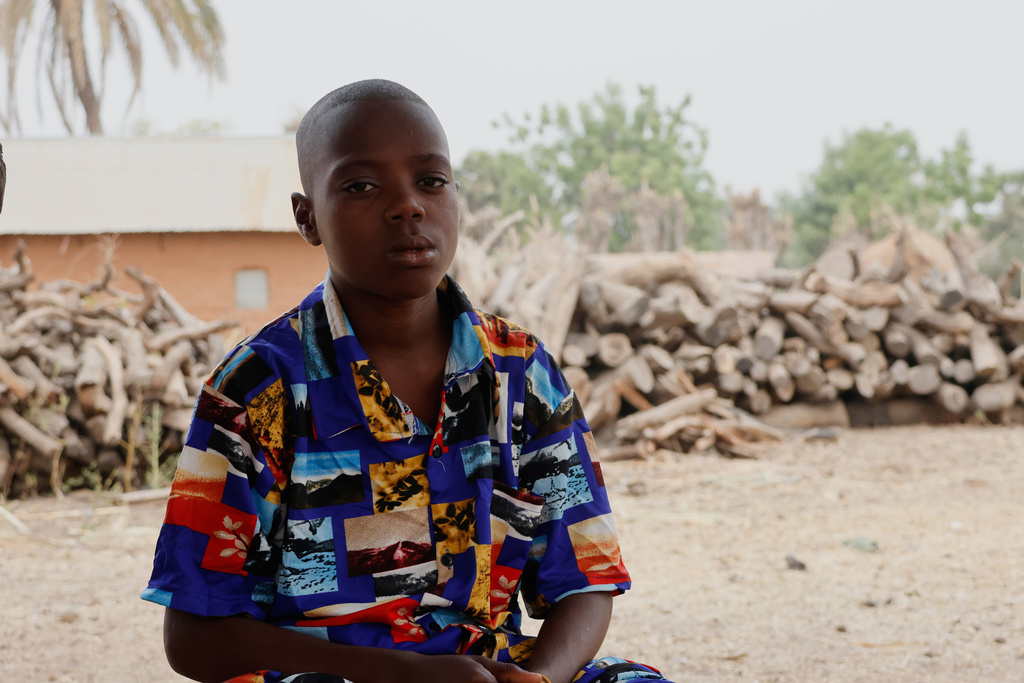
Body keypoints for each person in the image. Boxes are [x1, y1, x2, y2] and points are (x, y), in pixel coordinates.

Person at [142, 79, 673, 683]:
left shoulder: (521, 373)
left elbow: (586, 580)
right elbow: (193, 638)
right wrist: (398, 674)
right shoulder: (258, 389)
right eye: (361, 185)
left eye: (431, 181)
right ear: (307, 216)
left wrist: (541, 679)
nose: (407, 206)